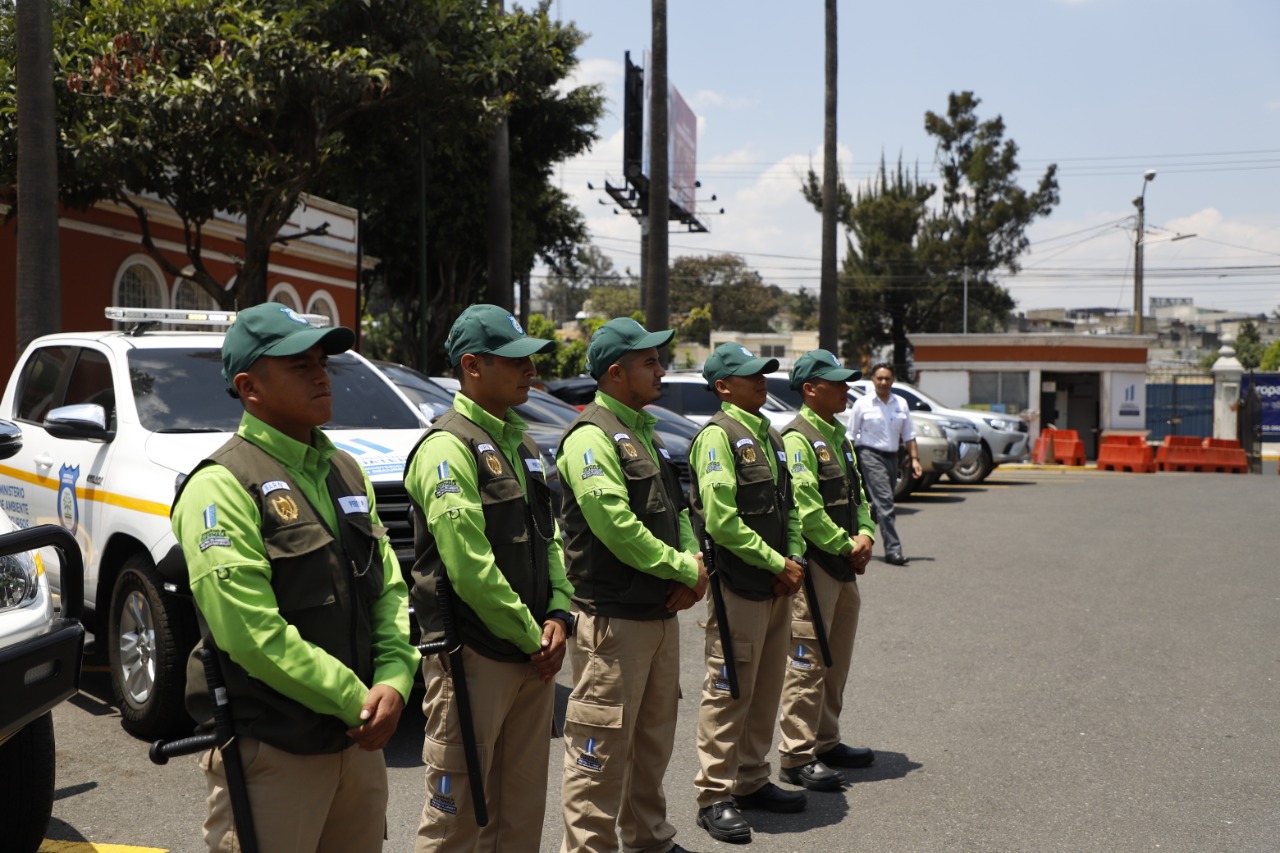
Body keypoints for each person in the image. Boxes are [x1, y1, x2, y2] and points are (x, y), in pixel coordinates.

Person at [171, 303, 419, 852]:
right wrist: (360, 699)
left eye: (321, 362)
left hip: (357, 744)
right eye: (298, 365)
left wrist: (397, 678)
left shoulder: (346, 470)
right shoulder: (221, 486)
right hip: (276, 751)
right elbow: (250, 633)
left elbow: (387, 586)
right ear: (249, 387)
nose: (320, 374)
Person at [404, 304, 574, 853]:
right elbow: (471, 569)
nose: (531, 371)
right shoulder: (446, 448)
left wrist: (558, 616)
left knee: (519, 816)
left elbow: (548, 540)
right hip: (473, 659)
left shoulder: (520, 443)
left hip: (531, 652)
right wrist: (535, 638)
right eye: (515, 360)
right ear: (472, 366)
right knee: (454, 823)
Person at [556, 317, 709, 853]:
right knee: (598, 757)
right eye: (650, 362)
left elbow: (680, 510)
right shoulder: (591, 438)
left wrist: (691, 565)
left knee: (651, 743)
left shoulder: (645, 431)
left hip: (658, 616)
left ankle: (650, 840)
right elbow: (615, 526)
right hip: (614, 623)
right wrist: (686, 570)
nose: (661, 369)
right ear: (616, 373)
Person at [690, 342, 807, 845]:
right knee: (729, 688)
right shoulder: (718, 437)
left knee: (764, 687)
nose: (762, 380)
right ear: (723, 386)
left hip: (778, 582)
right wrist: (776, 562)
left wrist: (795, 559)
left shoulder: (771, 436)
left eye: (763, 373)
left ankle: (751, 778)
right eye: (749, 375)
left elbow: (793, 506)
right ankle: (714, 795)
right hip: (741, 584)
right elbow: (721, 520)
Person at [776, 350, 877, 793]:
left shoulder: (839, 436)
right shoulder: (797, 438)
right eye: (836, 382)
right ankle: (797, 754)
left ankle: (825, 738)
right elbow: (808, 511)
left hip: (844, 567)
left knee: (836, 660)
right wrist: (845, 545)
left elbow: (860, 499)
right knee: (807, 661)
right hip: (818, 566)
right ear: (809, 389)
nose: (846, 388)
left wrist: (868, 535)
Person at [847, 362, 921, 566]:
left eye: (887, 378)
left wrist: (915, 459)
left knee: (880, 506)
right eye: (879, 378)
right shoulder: (863, 404)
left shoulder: (901, 403)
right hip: (870, 455)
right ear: (872, 379)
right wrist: (848, 463)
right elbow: (851, 435)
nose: (883, 382)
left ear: (893, 380)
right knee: (886, 503)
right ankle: (893, 550)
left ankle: (856, 534)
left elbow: (909, 435)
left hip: (893, 458)